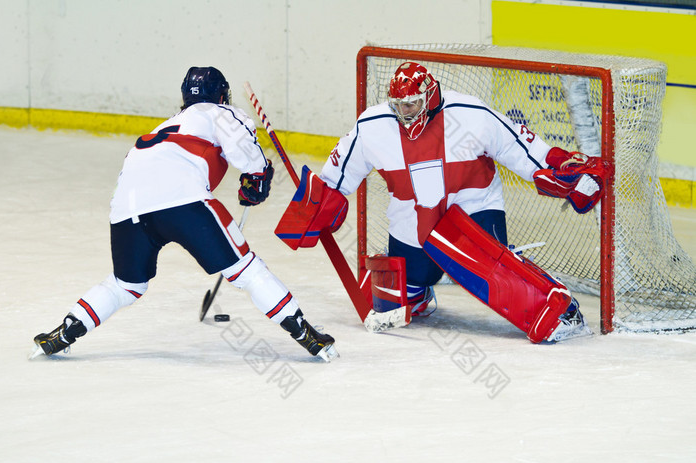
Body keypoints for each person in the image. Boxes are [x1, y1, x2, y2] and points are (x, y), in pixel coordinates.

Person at [285, 61, 610, 342]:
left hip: (472, 210)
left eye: (411, 105)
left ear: (429, 97)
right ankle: (419, 289)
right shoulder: (373, 125)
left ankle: (553, 305)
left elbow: (523, 149)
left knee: (492, 274)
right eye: (398, 106)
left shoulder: (471, 113)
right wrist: (318, 203)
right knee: (400, 299)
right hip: (412, 223)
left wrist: (560, 169)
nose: (404, 114)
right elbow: (336, 176)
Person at [31, 66, 338, 362]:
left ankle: (64, 331)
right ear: (222, 96)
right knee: (246, 270)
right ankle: (305, 334)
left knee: (125, 285)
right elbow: (246, 156)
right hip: (185, 202)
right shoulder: (222, 113)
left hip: (127, 207)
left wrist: (252, 181)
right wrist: (258, 176)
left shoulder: (166, 124)